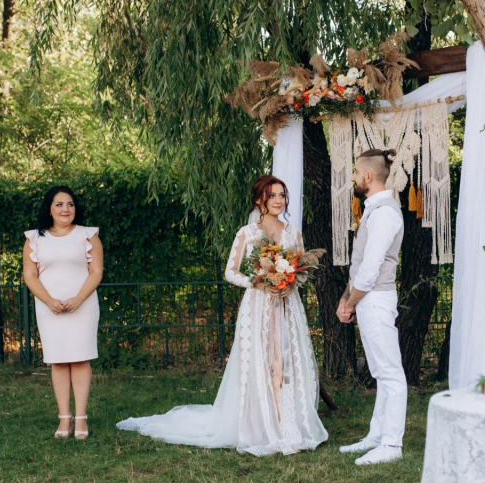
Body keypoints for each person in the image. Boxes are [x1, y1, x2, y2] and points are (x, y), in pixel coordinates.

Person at [117, 175, 327, 456]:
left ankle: (288, 425)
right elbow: (231, 272)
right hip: (259, 305)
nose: (278, 201)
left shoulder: (293, 233)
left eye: (282, 195)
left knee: (285, 362)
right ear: (259, 200)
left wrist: (291, 284)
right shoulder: (247, 233)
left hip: (287, 306)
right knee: (262, 362)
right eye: (272, 195)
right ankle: (261, 425)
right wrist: (258, 282)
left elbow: (301, 269)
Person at [337, 149, 408, 466]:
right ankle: (377, 437)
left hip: (375, 299)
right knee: (381, 371)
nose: (352, 177)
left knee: (391, 372)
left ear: (368, 175)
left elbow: (371, 267)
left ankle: (392, 445)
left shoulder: (384, 213)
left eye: (355, 172)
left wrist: (351, 301)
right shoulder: (374, 210)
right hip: (368, 298)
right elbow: (361, 264)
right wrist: (346, 297)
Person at [23, 186, 103, 439]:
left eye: (70, 204)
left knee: (80, 358)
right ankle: (63, 419)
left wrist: (79, 298)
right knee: (58, 360)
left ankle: (81, 419)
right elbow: (29, 275)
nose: (65, 209)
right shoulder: (34, 238)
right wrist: (48, 300)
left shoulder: (88, 235)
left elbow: (97, 272)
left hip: (83, 305)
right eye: (59, 204)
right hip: (50, 308)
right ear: (49, 208)